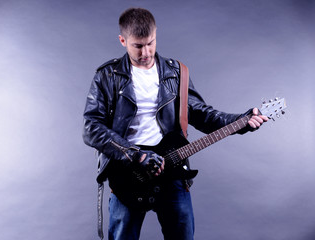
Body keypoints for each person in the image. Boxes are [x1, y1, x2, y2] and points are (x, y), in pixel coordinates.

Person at [83, 7, 268, 240]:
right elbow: (91, 127)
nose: (146, 52)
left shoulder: (176, 72)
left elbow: (202, 114)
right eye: (138, 46)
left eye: (150, 43)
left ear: (156, 34)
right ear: (123, 40)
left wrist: (240, 121)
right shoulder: (107, 75)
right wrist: (135, 155)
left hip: (172, 168)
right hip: (127, 170)